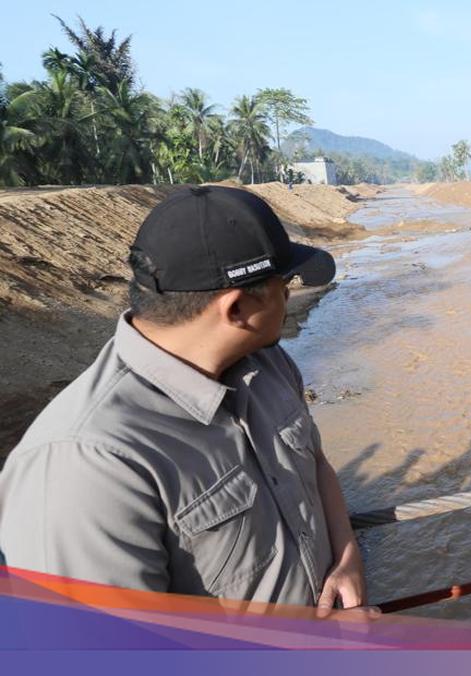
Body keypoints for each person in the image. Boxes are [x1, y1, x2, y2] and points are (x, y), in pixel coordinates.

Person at [0, 186, 365, 612]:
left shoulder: (268, 365)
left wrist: (346, 554)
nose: (289, 296)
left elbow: (315, 463)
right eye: (284, 284)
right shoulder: (86, 464)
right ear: (236, 310)